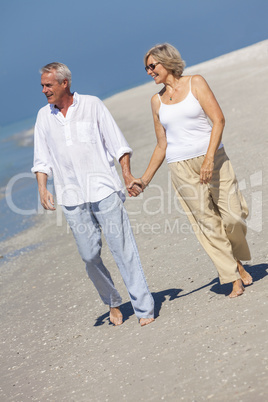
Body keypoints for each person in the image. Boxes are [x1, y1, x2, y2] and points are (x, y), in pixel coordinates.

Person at [32, 62, 154, 326]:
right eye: (42, 85)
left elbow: (118, 144)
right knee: (89, 255)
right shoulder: (44, 116)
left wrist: (127, 174)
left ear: (65, 83)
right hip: (72, 197)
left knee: (124, 250)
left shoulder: (92, 105)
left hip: (104, 190)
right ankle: (112, 299)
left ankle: (144, 309)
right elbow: (41, 159)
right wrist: (42, 188)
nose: (44, 90)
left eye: (48, 85)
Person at [129, 43, 252, 298]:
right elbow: (162, 144)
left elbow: (218, 119)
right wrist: (145, 180)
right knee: (207, 223)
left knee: (233, 217)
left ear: (167, 62)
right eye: (146, 68)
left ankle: (236, 259)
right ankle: (232, 276)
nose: (149, 72)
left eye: (152, 66)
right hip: (180, 167)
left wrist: (208, 160)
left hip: (214, 158)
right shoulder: (156, 101)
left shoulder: (196, 82)